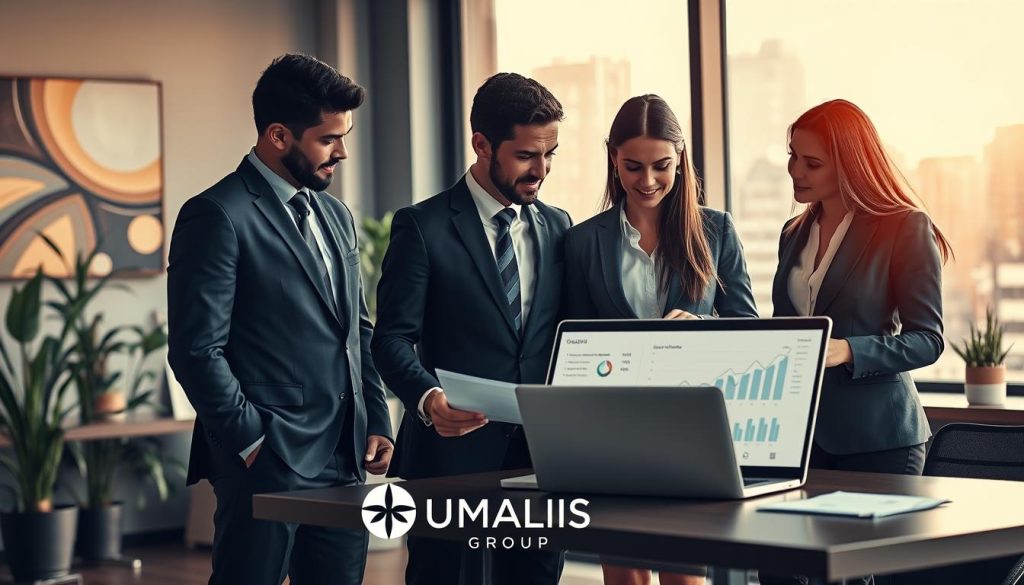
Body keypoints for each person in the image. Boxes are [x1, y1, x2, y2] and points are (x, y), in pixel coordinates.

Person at [167, 54, 393, 585]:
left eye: (345, 136)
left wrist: (377, 416)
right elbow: (196, 350)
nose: (342, 152)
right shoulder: (216, 215)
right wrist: (253, 442)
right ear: (277, 136)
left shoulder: (335, 214)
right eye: (328, 139)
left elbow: (356, 329)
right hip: (267, 460)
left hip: (345, 456)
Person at [371, 72, 569, 585]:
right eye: (527, 155)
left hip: (540, 456)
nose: (541, 170)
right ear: (481, 144)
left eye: (550, 154)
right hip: (449, 455)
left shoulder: (559, 226)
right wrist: (427, 397)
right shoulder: (423, 226)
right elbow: (390, 339)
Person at [564, 94, 758, 585]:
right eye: (633, 166)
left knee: (684, 575)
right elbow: (572, 340)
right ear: (613, 157)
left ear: (680, 158)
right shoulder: (583, 241)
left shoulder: (715, 230)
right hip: (612, 430)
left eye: (661, 166)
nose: (647, 181)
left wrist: (702, 330)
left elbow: (749, 329)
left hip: (689, 433)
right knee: (624, 576)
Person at [761, 99, 953, 585]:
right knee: (782, 569)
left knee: (852, 575)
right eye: (792, 156)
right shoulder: (793, 232)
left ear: (848, 164)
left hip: (879, 439)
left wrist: (850, 349)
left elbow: (927, 340)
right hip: (802, 438)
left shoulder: (902, 226)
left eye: (812, 162)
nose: (794, 171)